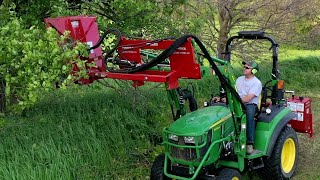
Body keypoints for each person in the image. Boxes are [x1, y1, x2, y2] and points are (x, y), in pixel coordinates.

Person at [236, 61, 262, 154]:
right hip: (236, 101)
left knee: (249, 115)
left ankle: (249, 143)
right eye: (244, 67)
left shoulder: (256, 83)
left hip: (250, 104)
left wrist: (233, 101)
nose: (244, 69)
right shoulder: (239, 79)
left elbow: (248, 99)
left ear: (254, 71)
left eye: (247, 68)